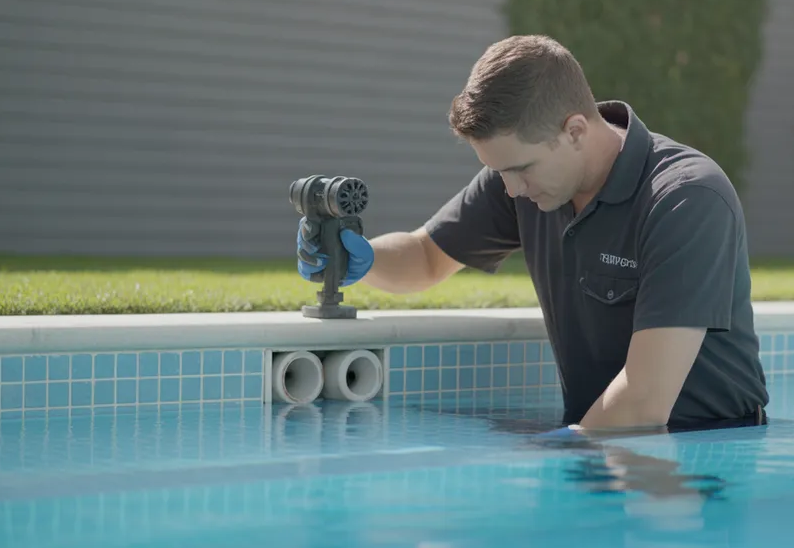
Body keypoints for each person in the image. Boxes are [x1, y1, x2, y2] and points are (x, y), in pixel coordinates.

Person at [297, 34, 769, 434]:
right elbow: (425, 256)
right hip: (596, 438)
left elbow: (645, 402)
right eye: (497, 171)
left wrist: (553, 456)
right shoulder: (523, 181)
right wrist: (355, 256)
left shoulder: (686, 199)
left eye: (519, 169)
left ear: (575, 130)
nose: (510, 188)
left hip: (704, 452)